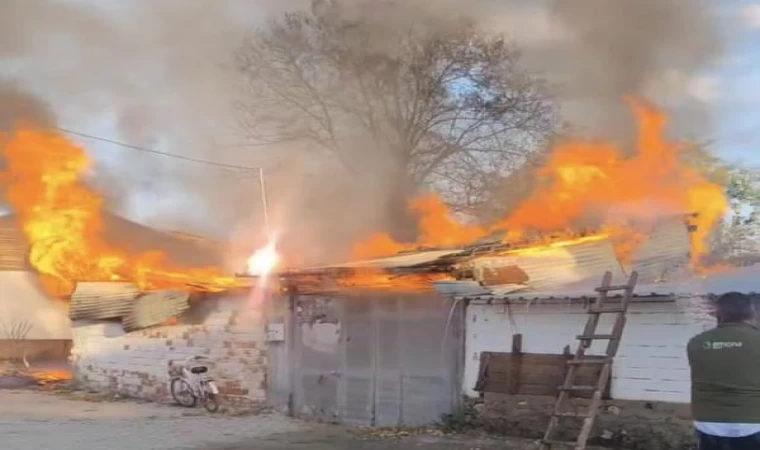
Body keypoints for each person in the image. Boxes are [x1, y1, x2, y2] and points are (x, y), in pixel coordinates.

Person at [687, 292, 760, 449]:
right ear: (752, 312)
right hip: (753, 422)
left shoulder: (696, 342)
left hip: (708, 422)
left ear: (718, 315)